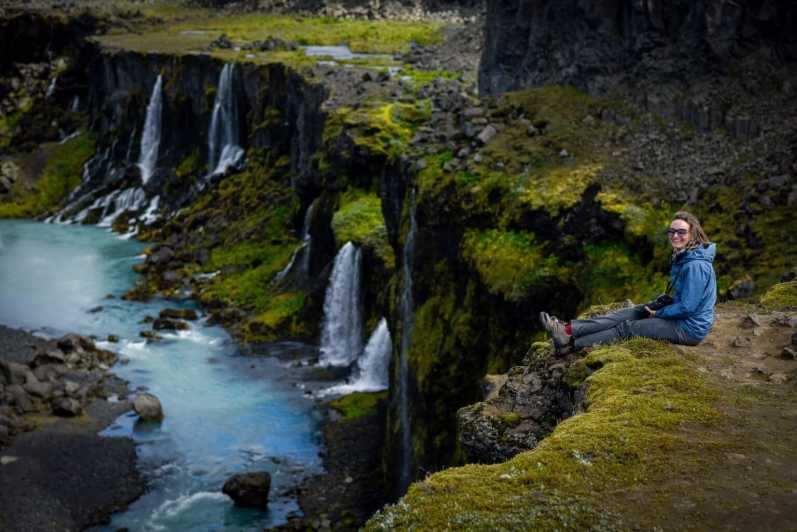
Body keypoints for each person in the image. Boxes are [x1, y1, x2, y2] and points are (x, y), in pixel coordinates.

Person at [540, 211, 717, 355]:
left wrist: (659, 313)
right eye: (671, 231)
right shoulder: (685, 255)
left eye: (681, 232)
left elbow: (688, 306)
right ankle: (568, 329)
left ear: (693, 233)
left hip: (689, 328)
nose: (675, 236)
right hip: (680, 315)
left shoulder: (695, 265)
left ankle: (571, 344)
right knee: (628, 313)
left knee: (628, 328)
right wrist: (662, 303)